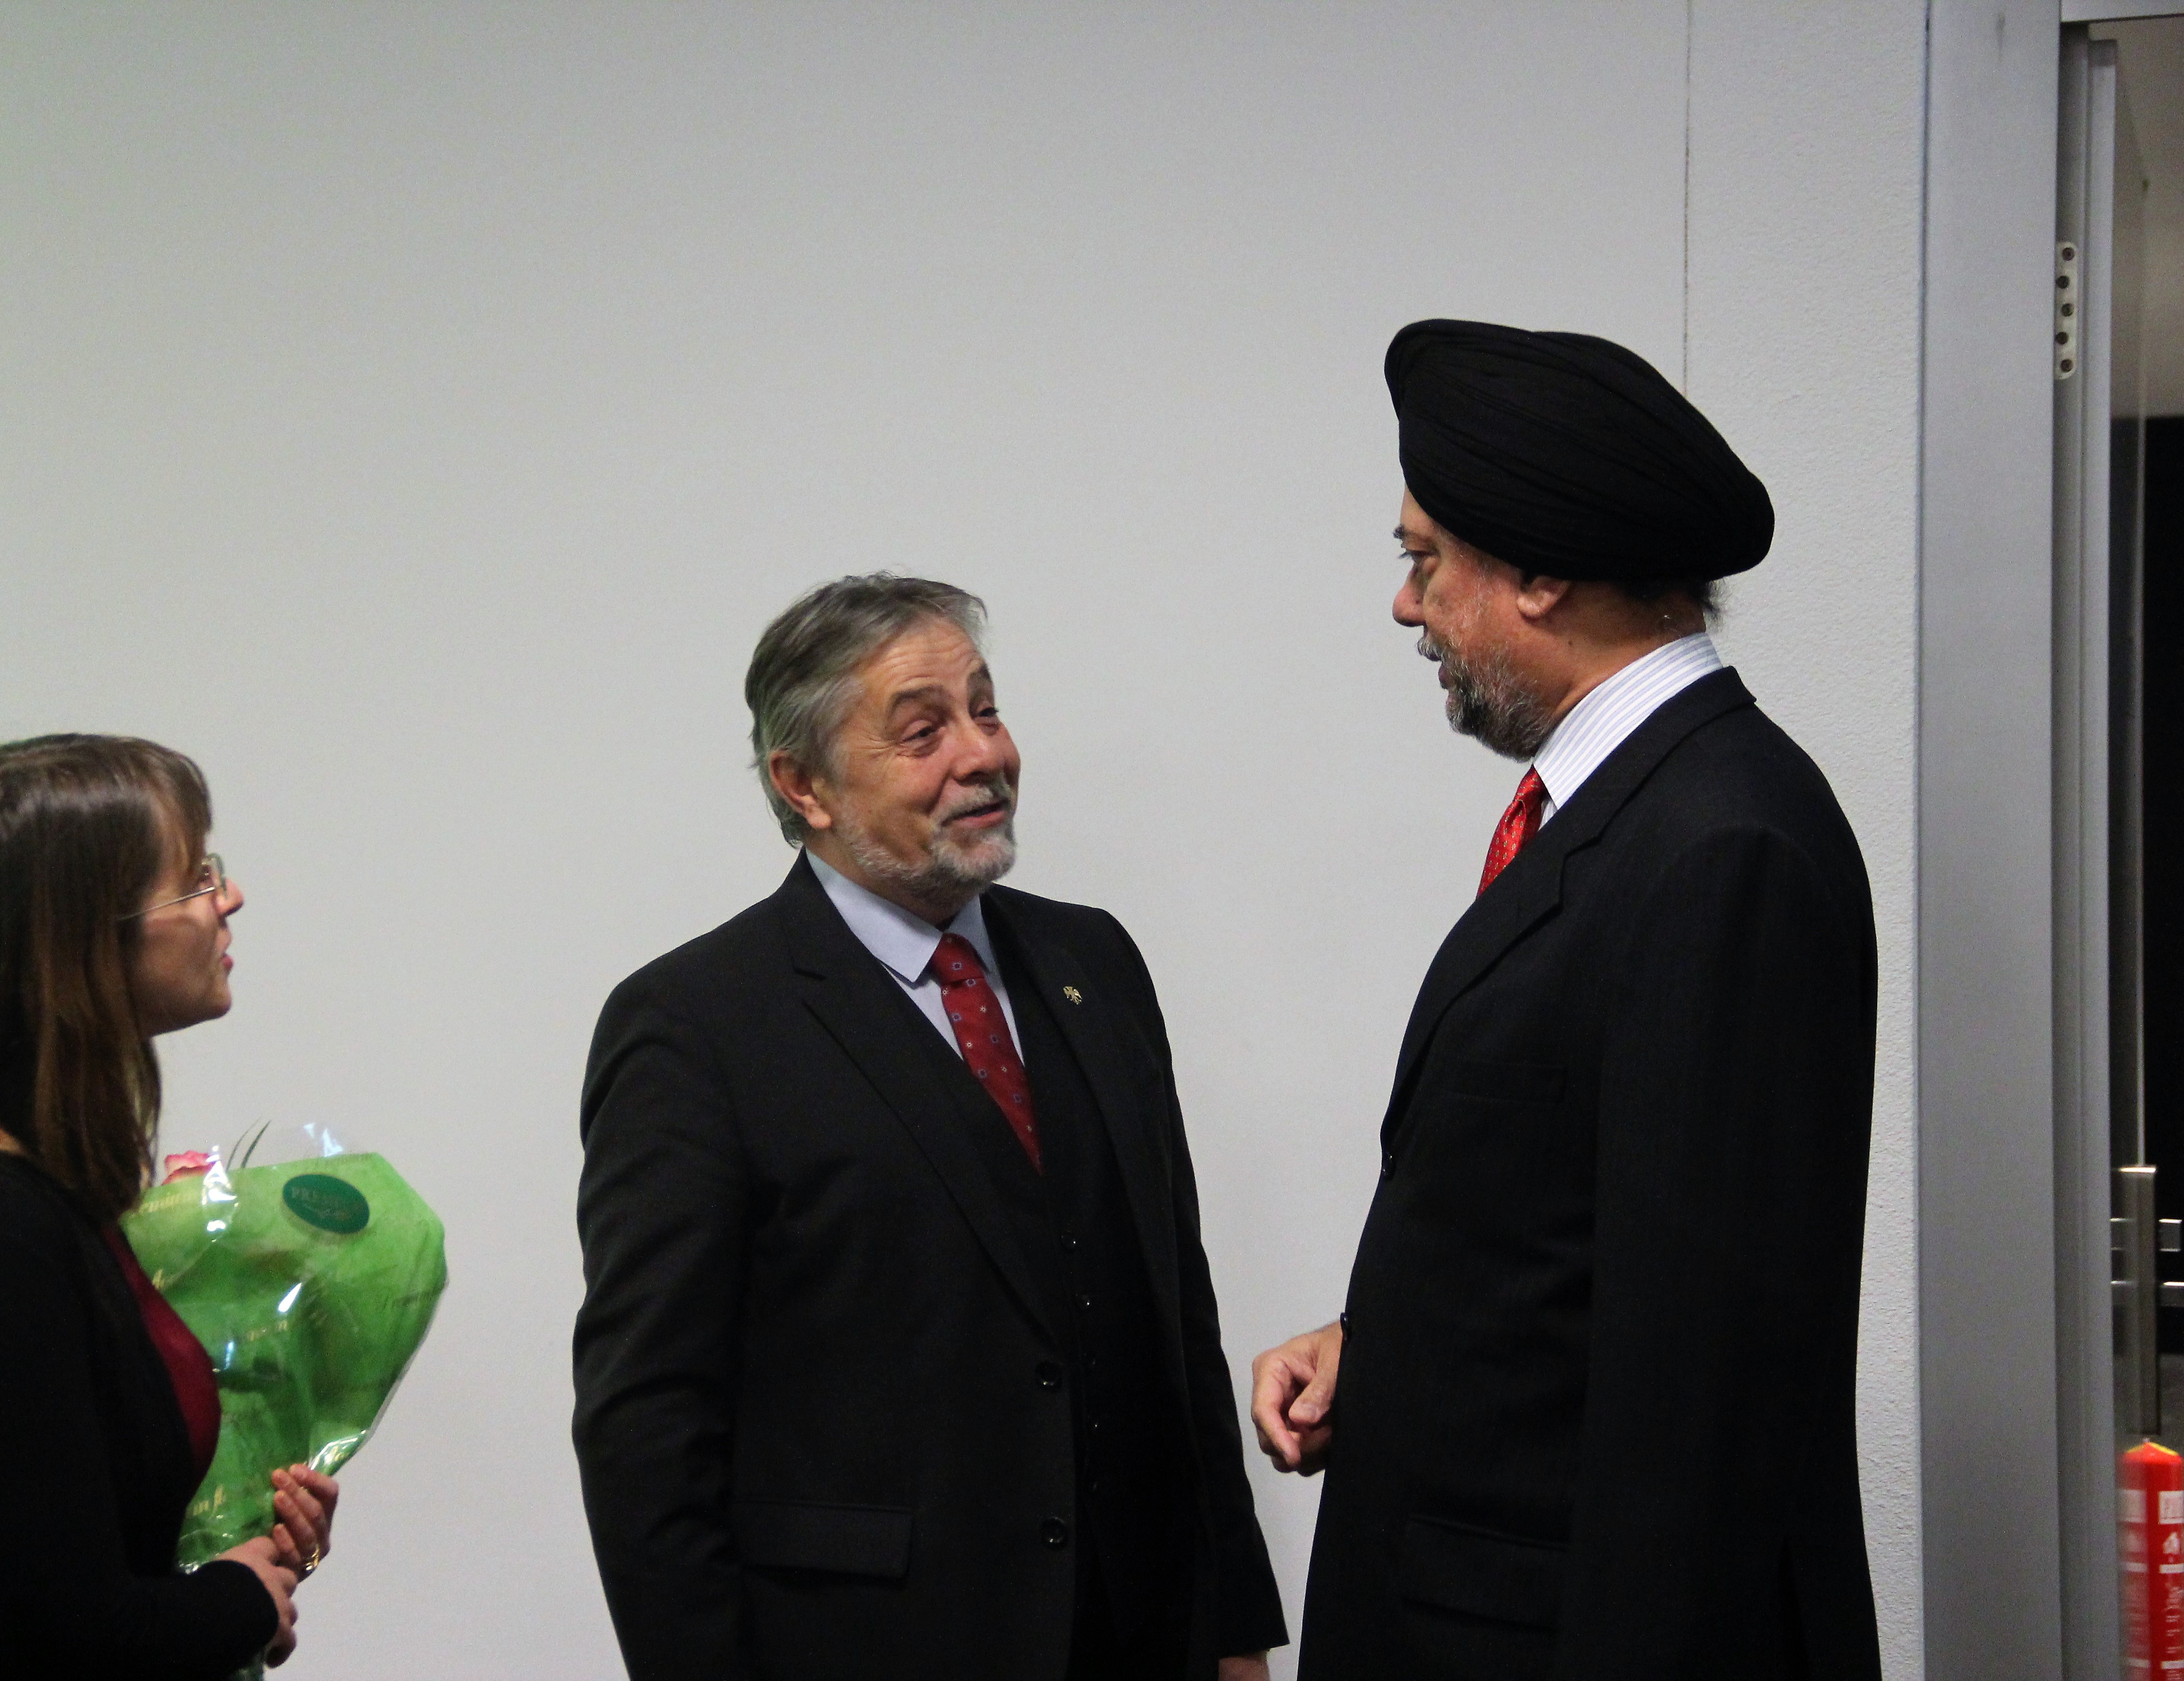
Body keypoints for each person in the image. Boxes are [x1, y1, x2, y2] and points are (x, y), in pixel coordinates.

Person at [1250, 320, 1880, 1680]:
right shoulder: (1630, 816)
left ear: (1540, 572)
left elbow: (1700, 1402)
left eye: (1426, 559)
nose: (1405, 606)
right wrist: (1381, 1345)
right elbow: (1570, 1236)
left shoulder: (1721, 849)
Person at [573, 575, 1287, 1681]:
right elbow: (648, 1429)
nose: (983, 755)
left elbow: (1176, 1317)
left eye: (986, 710)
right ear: (804, 785)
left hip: (1146, 1640)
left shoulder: (1095, 963)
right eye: (924, 731)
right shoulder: (695, 1027)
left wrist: (1235, 1627)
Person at [0, 734, 341, 1680]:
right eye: (195, 877)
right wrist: (239, 1601)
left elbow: (80, 1559)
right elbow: (72, 1635)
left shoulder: (30, 1198)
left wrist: (245, 1561)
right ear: (80, 940)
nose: (230, 897)